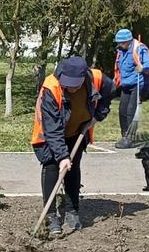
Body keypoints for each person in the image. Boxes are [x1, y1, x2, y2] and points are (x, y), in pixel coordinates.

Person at [30, 56, 115, 237]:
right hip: (49, 134)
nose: (71, 88)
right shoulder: (51, 87)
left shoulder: (97, 77)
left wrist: (99, 113)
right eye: (67, 83)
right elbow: (52, 129)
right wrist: (62, 156)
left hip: (77, 131)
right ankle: (51, 215)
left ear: (84, 76)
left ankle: (72, 210)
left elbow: (110, 90)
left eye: (75, 84)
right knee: (53, 166)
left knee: (73, 168)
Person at [112, 29, 149, 149]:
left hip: (138, 83)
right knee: (122, 110)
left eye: (121, 43)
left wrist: (142, 67)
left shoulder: (139, 48)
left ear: (128, 41)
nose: (119, 45)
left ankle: (130, 138)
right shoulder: (121, 51)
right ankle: (124, 135)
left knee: (131, 110)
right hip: (126, 84)